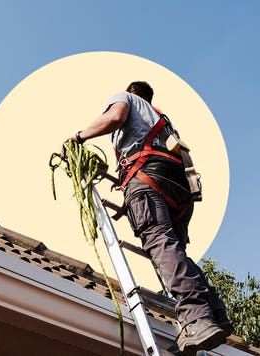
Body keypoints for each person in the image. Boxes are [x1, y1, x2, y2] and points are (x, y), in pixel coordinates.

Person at [63, 81, 232, 354]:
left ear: (131, 92)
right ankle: (213, 311)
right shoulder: (162, 120)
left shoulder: (126, 99)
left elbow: (115, 116)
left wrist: (78, 137)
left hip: (146, 176)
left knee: (160, 243)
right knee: (173, 248)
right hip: (178, 186)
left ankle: (197, 318)